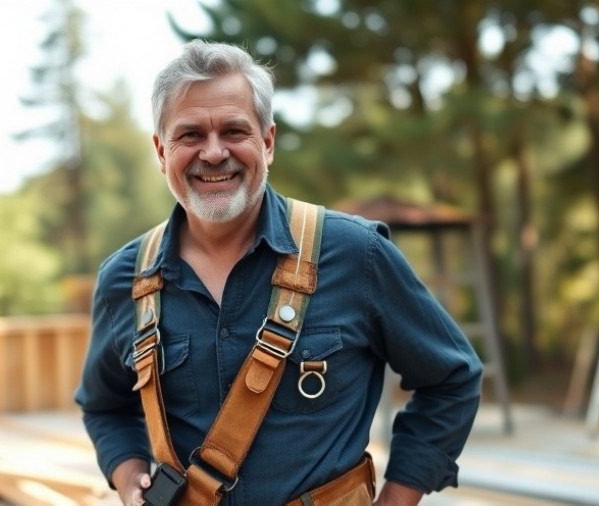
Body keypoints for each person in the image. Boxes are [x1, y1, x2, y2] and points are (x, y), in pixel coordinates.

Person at [75, 39, 483, 506]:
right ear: (161, 151)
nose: (213, 153)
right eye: (189, 135)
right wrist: (129, 481)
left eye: (234, 131)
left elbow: (452, 377)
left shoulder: (356, 254)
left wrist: (397, 498)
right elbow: (104, 404)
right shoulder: (124, 279)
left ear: (267, 143)